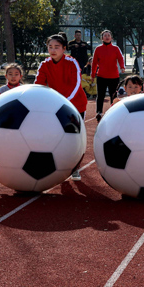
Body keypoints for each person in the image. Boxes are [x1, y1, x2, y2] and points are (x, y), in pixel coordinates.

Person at [35, 33, 88, 180]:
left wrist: (64, 102)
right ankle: (56, 166)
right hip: (53, 107)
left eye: (57, 47)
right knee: (54, 136)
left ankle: (75, 167)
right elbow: (38, 85)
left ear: (64, 48)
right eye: (50, 47)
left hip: (75, 105)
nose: (53, 50)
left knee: (74, 138)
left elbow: (76, 85)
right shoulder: (44, 64)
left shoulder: (72, 62)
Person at [91, 30, 124, 122]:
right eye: (105, 35)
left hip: (114, 76)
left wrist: (122, 67)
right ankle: (99, 112)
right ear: (102, 38)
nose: (107, 37)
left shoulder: (116, 48)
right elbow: (94, 63)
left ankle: (114, 111)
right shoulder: (98, 49)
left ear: (111, 38)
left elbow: (120, 58)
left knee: (113, 95)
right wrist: (93, 74)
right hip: (101, 76)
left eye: (108, 35)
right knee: (100, 95)